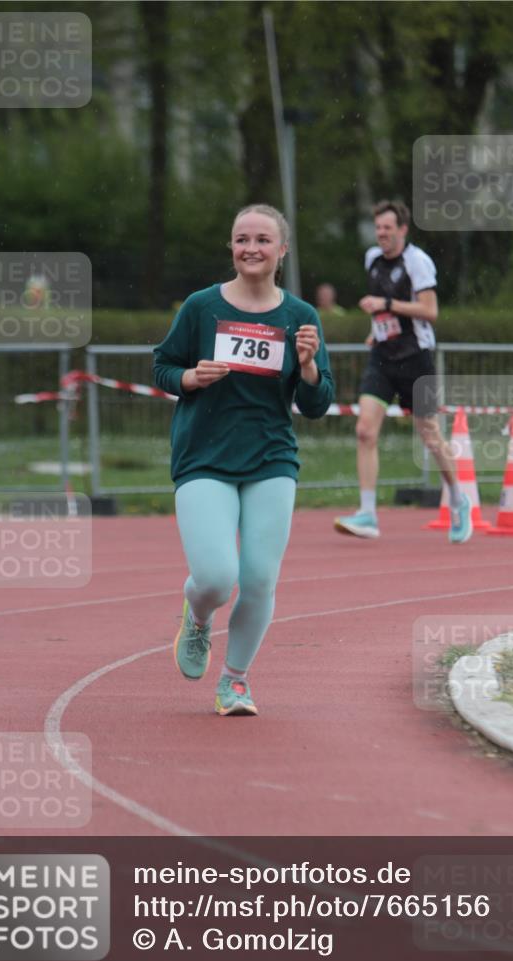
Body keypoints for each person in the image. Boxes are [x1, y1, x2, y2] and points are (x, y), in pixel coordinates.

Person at [153, 204, 334, 716]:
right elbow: (163, 366)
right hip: (204, 455)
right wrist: (191, 378)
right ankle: (198, 612)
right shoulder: (201, 307)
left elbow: (317, 406)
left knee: (257, 579)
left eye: (261, 239)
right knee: (216, 576)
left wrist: (308, 369)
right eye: (240, 239)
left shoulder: (300, 317)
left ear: (282, 250)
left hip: (271, 458)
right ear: (231, 247)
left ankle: (234, 680)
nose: (250, 248)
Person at [334, 200, 472, 543]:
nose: (381, 233)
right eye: (378, 227)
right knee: (365, 430)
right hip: (383, 356)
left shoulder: (418, 262)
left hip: (416, 357)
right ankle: (367, 513)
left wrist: (388, 306)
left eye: (387, 228)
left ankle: (458, 499)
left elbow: (431, 311)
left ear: (402, 230)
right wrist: (377, 328)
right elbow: (380, 306)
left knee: (429, 434)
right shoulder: (372, 259)